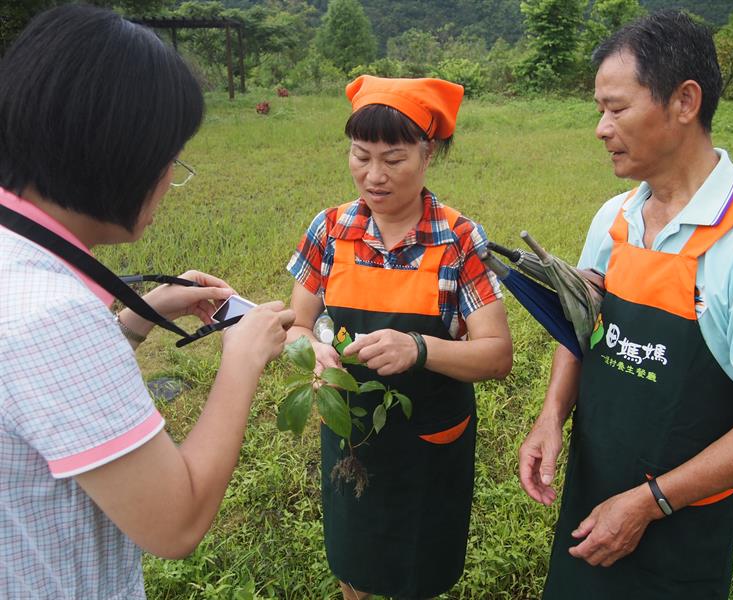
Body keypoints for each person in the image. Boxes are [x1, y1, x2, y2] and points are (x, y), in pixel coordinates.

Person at [0, 6, 294, 599]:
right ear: (122, 155)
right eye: (171, 160)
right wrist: (241, 358)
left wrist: (138, 316)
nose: (169, 179)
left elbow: (39, 403)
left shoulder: (20, 268)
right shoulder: (54, 318)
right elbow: (176, 521)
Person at [518, 10, 733, 599]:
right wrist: (551, 415)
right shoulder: (615, 217)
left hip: (682, 523)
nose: (601, 127)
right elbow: (581, 329)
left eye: (616, 109)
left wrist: (649, 504)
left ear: (685, 101)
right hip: (593, 490)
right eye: (600, 109)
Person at [286, 75, 513, 599]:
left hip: (428, 443)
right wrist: (311, 347)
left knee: (420, 564)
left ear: (427, 153)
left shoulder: (458, 240)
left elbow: (496, 355)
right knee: (353, 558)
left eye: (393, 159)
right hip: (350, 435)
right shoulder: (330, 230)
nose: (374, 176)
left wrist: (419, 348)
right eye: (361, 156)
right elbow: (298, 323)